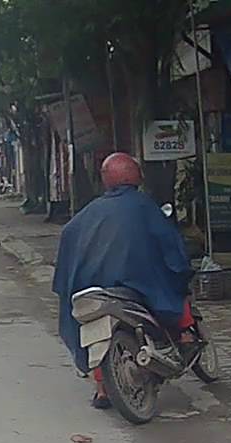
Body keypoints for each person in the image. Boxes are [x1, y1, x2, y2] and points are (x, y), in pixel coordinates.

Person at [51, 152, 194, 410]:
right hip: (136, 286)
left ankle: (102, 389)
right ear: (136, 176)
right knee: (174, 282)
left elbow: (68, 246)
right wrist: (180, 266)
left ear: (106, 180)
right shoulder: (144, 206)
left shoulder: (86, 215)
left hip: (92, 289)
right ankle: (183, 336)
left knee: (90, 326)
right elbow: (170, 246)